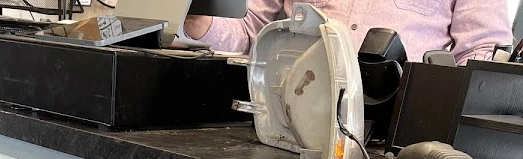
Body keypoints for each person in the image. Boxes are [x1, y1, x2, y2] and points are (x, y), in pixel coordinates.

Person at [184, 0, 513, 63]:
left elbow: (482, 51)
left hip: (401, 138)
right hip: (286, 115)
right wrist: (201, 24)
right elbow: (253, 28)